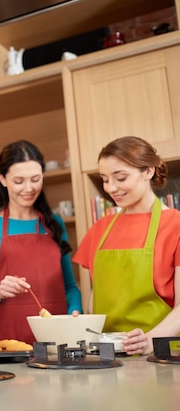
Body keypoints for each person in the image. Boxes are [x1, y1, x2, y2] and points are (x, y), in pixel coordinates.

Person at [0, 140, 82, 344]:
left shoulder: (55, 224)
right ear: (2, 179)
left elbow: (70, 287)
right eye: (19, 181)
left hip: (57, 339)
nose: (29, 188)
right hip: (8, 340)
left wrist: (75, 313)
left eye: (35, 179)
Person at [73, 136, 180, 355]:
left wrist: (149, 340)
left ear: (148, 171)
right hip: (106, 356)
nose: (111, 188)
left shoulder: (175, 225)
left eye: (120, 178)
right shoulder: (100, 230)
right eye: (104, 179)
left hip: (160, 354)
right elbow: (94, 302)